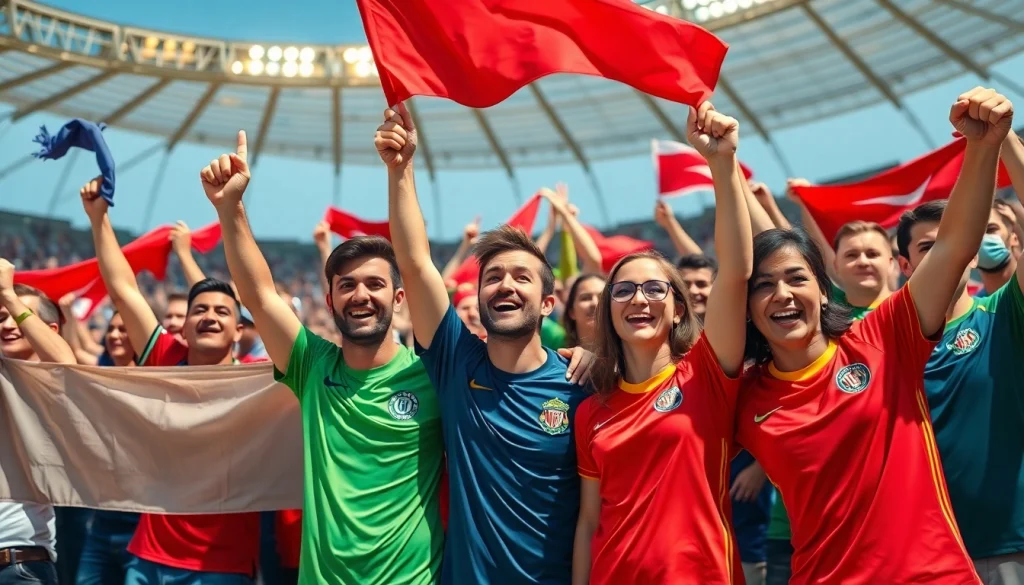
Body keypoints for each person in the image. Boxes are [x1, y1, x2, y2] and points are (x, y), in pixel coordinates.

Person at [735, 87, 1013, 585]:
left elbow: (952, 247)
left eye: (797, 279)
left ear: (824, 293)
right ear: (748, 308)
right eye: (763, 286)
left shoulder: (883, 338)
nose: (781, 294)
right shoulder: (741, 393)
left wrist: (984, 146)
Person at [200, 130, 444, 585]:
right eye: (347, 285)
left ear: (399, 298)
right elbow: (259, 295)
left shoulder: (434, 374)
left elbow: (418, 262)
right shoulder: (311, 366)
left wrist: (400, 170)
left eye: (374, 284)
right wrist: (229, 208)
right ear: (329, 301)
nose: (361, 295)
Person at [376, 103, 594, 585]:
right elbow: (414, 264)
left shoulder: (582, 382)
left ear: (547, 303)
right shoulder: (457, 362)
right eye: (492, 277)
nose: (505, 286)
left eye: (521, 277)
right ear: (477, 296)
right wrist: (402, 170)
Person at [571, 103, 751, 584]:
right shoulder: (591, 411)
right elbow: (590, 522)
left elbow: (734, 273)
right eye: (623, 289)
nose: (639, 299)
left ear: (677, 308)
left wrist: (722, 164)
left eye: (655, 288)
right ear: (609, 309)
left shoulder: (709, 376)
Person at [80, 178, 260, 585]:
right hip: (148, 560)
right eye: (199, 310)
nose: (209, 316)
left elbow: (261, 293)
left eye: (221, 311)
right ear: (185, 326)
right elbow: (124, 291)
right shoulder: (164, 356)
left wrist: (227, 209)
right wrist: (98, 219)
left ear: (239, 331)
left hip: (222, 566)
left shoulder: (260, 380)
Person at [893, 126, 1024, 585]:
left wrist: (1002, 141)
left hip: (1010, 548)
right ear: (904, 266)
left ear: (970, 254)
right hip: (925, 557)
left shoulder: (1005, 311)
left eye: (952, 245)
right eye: (928, 248)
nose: (944, 256)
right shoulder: (884, 342)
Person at [0, 263, 75, 585]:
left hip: (20, 563)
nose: (7, 325)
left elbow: (66, 364)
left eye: (16, 317)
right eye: (0, 317)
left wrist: (8, 295)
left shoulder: (50, 386)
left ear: (50, 330)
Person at [74, 312, 142, 585]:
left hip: (142, 526)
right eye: (111, 329)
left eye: (123, 329)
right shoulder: (99, 377)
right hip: (102, 522)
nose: (114, 335)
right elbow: (71, 356)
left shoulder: (158, 382)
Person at [561, 273, 603, 351]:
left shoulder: (628, 359)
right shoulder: (559, 359)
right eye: (585, 298)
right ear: (572, 312)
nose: (595, 303)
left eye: (602, 297)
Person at [675, 254, 716, 320]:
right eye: (685, 285)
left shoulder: (733, 327)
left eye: (701, 284)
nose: (693, 291)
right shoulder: (666, 328)